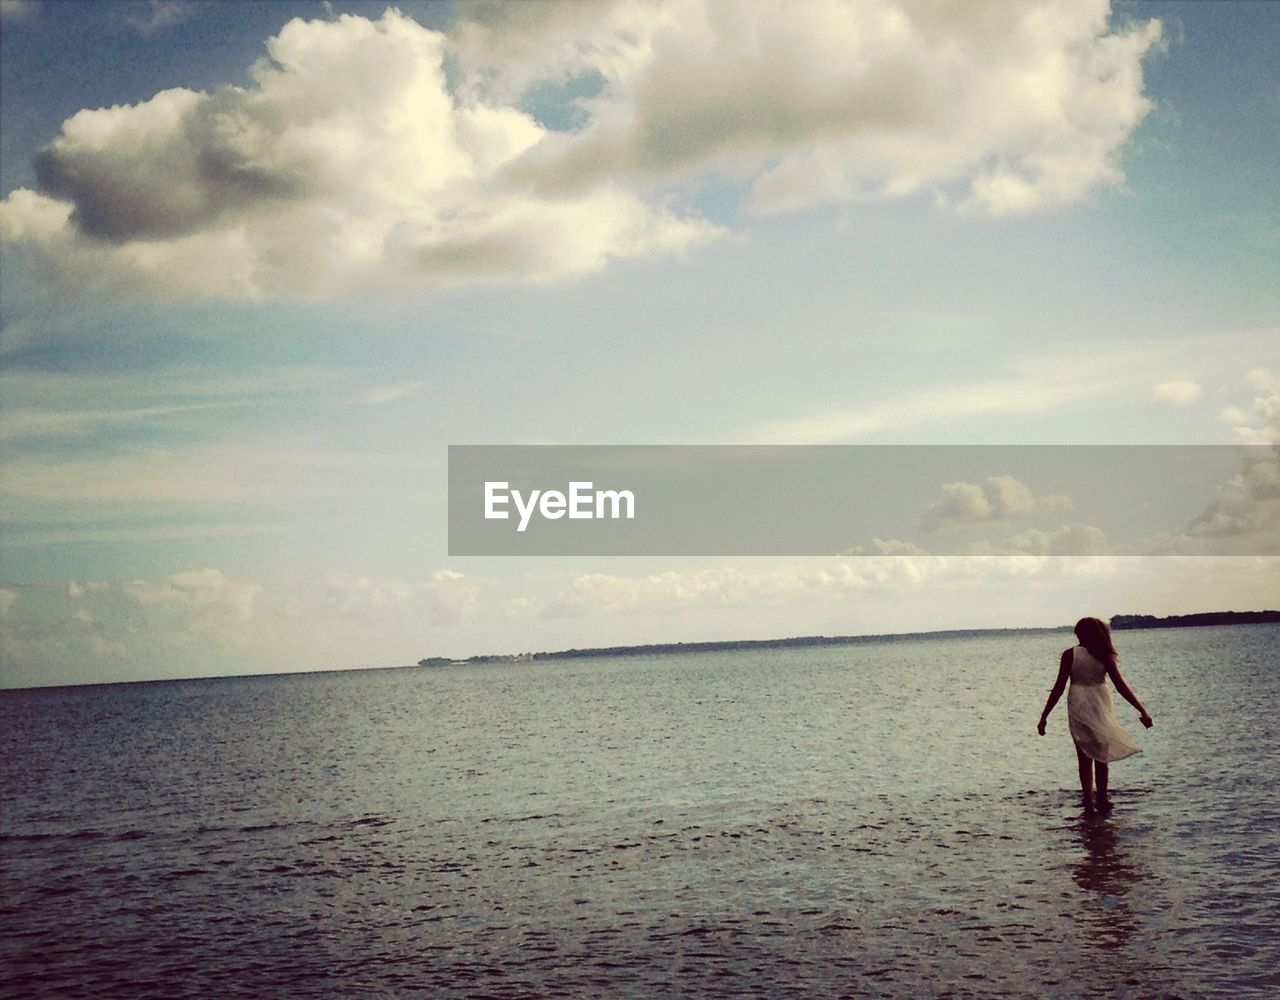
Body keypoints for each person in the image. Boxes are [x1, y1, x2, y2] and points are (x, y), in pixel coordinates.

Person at [1038, 617, 1153, 812]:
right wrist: (1142, 710)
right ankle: (1101, 798)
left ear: (1081, 634)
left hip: (1078, 702)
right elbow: (1121, 686)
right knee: (1101, 754)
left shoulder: (1070, 655)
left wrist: (1044, 716)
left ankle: (1088, 801)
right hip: (1100, 701)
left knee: (1084, 756)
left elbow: (1058, 688)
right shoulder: (1105, 655)